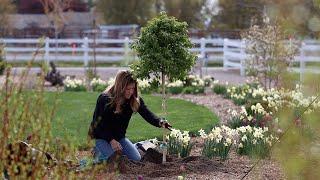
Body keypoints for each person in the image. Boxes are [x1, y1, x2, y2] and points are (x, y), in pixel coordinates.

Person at [88, 70, 171, 162]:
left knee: (136, 158)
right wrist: (111, 140)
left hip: (119, 138)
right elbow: (98, 126)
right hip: (101, 137)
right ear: (120, 87)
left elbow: (147, 114)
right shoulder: (105, 99)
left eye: (133, 88)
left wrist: (160, 122)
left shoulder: (133, 100)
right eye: (128, 89)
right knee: (114, 161)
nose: (131, 92)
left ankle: (136, 146)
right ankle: (96, 151)